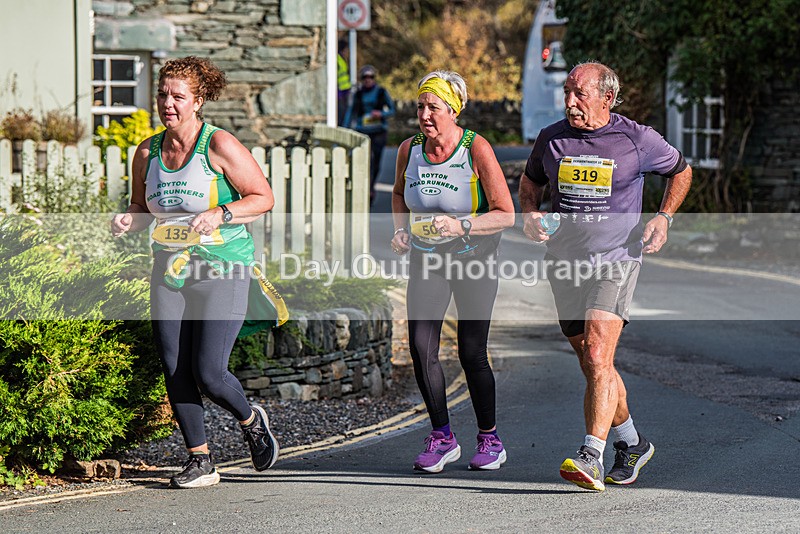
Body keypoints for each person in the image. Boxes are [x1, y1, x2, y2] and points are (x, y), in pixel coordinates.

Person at [518, 61, 692, 491]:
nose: (570, 101)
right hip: (564, 261)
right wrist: (531, 213)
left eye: (580, 93)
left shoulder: (636, 139)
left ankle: (590, 455)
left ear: (607, 98)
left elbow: (681, 171)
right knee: (592, 361)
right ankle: (632, 443)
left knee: (597, 354)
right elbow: (529, 181)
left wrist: (664, 217)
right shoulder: (552, 138)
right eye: (568, 92)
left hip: (617, 259)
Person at [111, 56, 281, 489]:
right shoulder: (147, 151)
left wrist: (221, 213)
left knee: (209, 372)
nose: (168, 103)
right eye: (163, 94)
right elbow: (141, 205)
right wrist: (130, 218)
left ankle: (250, 418)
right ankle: (200, 460)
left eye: (178, 96)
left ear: (198, 101)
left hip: (222, 267)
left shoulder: (219, 145)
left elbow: (262, 198)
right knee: (174, 365)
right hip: (168, 269)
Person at [391, 70, 515, 473]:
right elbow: (397, 194)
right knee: (420, 346)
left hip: (474, 257)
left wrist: (462, 224)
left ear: (454, 110)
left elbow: (505, 214)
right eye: (420, 106)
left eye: (433, 107)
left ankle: (490, 439)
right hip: (427, 258)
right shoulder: (408, 150)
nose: (424, 114)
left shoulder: (475, 148)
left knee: (471, 351)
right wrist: (400, 230)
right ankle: (442, 436)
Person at [343, 65, 396, 205]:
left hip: (379, 130)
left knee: (376, 161)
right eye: (365, 77)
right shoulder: (358, 94)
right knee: (365, 160)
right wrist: (345, 128)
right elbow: (351, 112)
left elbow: (392, 110)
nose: (368, 80)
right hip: (363, 131)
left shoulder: (381, 92)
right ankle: (366, 187)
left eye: (370, 77)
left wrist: (381, 114)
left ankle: (371, 186)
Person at [337, 39, 352, 127]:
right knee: (341, 116)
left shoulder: (342, 59)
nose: (347, 52)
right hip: (340, 93)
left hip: (344, 92)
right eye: (346, 49)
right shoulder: (337, 59)